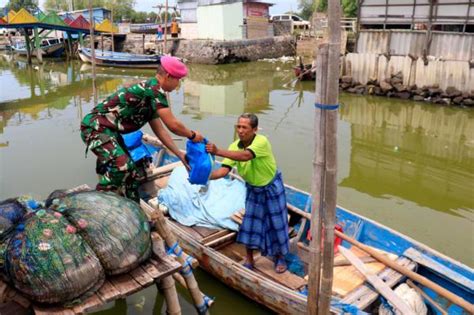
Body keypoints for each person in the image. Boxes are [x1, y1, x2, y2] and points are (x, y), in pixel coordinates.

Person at [80, 56, 203, 202]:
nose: (178, 85)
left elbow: (161, 131)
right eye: (178, 80)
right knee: (122, 167)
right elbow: (173, 125)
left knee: (134, 173)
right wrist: (193, 135)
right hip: (95, 127)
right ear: (169, 76)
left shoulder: (152, 93)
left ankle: (134, 204)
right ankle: (99, 202)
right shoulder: (154, 91)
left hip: (110, 131)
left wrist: (179, 154)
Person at [205, 113, 289, 273]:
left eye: (245, 127)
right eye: (239, 126)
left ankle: (279, 257)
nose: (241, 131)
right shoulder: (234, 146)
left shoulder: (261, 141)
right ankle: (250, 259)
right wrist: (205, 177)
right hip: (253, 189)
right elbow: (223, 171)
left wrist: (217, 151)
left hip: (271, 187)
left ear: (254, 129)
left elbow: (245, 156)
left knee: (277, 224)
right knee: (250, 225)